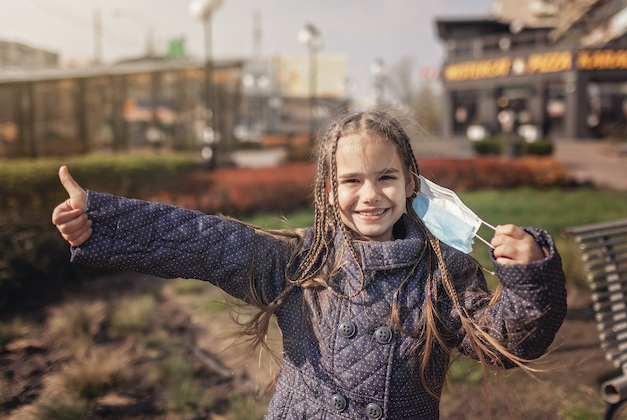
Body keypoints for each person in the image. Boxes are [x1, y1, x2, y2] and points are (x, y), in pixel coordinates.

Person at [52, 110, 566, 419]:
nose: (370, 195)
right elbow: (203, 241)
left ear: (412, 184)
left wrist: (530, 276)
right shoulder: (301, 261)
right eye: (351, 181)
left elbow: (504, 344)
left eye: (386, 178)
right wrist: (103, 221)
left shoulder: (442, 275)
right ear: (328, 190)